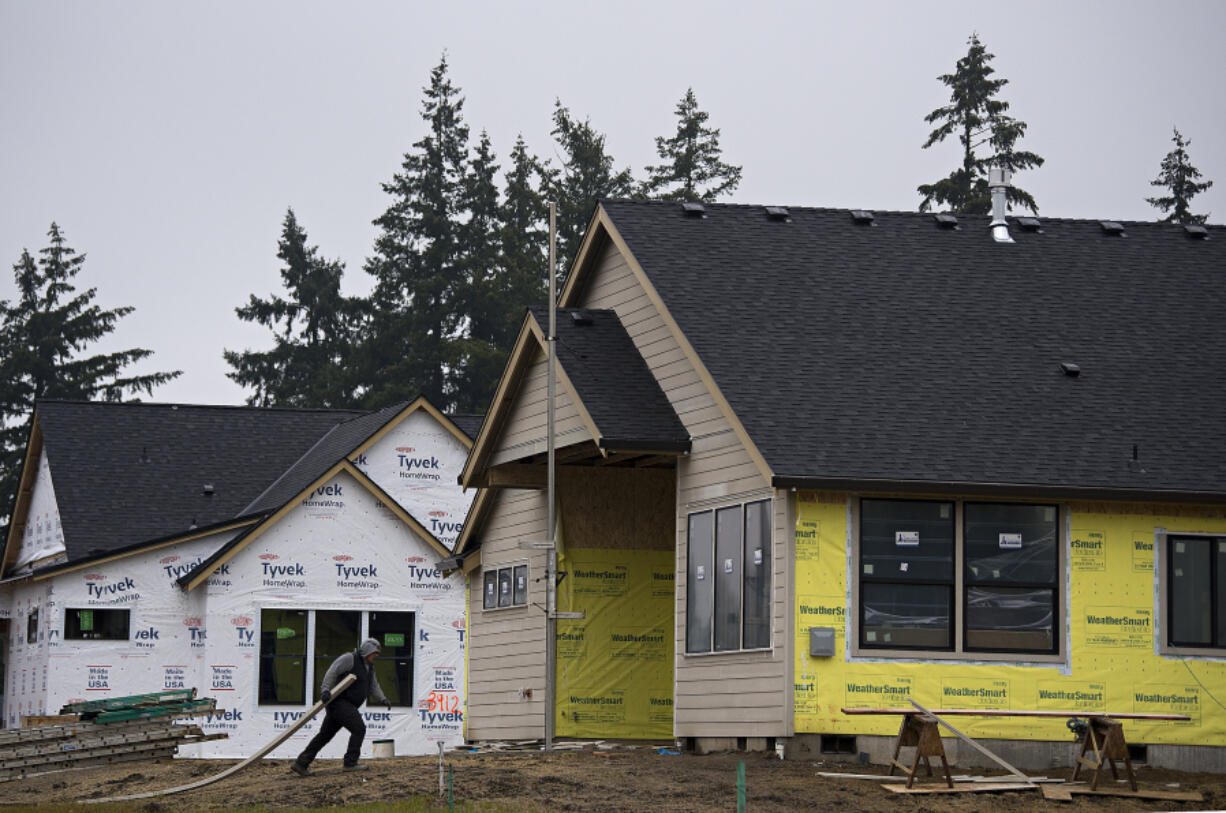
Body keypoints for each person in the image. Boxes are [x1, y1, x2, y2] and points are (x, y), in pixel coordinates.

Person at [291, 637, 392, 775]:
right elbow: (332, 671)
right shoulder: (349, 659)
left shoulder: (369, 666)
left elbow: (373, 685)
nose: (376, 656)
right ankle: (350, 763)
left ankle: (301, 763)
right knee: (359, 728)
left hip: (345, 705)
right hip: (339, 703)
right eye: (375, 653)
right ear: (368, 650)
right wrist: (325, 690)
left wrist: (382, 698)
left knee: (324, 735)